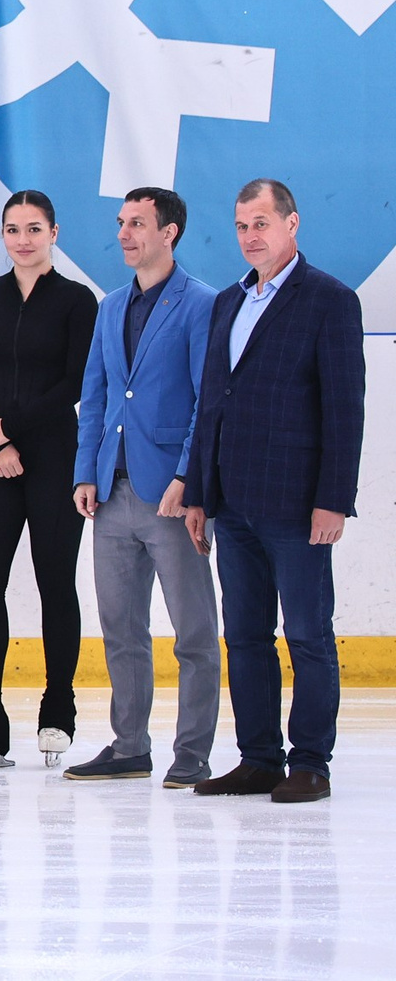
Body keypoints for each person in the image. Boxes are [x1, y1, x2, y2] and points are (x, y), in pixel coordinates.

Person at [187, 179, 366, 804]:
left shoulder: (330, 301)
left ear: (293, 223)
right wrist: (200, 495)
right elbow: (212, 403)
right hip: (232, 503)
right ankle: (259, 758)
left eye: (261, 223)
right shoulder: (227, 304)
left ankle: (310, 761)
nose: (250, 237)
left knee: (309, 635)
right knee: (245, 636)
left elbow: (345, 408)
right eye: (241, 226)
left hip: (297, 504)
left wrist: (333, 499)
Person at [65, 186, 221, 788]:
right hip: (111, 493)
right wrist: (86, 471)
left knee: (193, 634)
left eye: (138, 223)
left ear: (170, 232)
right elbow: (97, 396)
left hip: (169, 496)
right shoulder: (109, 308)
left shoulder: (201, 304)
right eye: (121, 222)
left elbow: (207, 404)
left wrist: (187, 477)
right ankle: (129, 744)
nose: (125, 233)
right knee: (121, 629)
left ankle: (193, 753)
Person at [0, 189, 96, 768]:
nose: (23, 239)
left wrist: (7, 428)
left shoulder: (77, 301)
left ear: (54, 234)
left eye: (34, 228)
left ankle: (58, 706)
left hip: (55, 455)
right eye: (12, 229)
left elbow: (75, 383)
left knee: (55, 581)